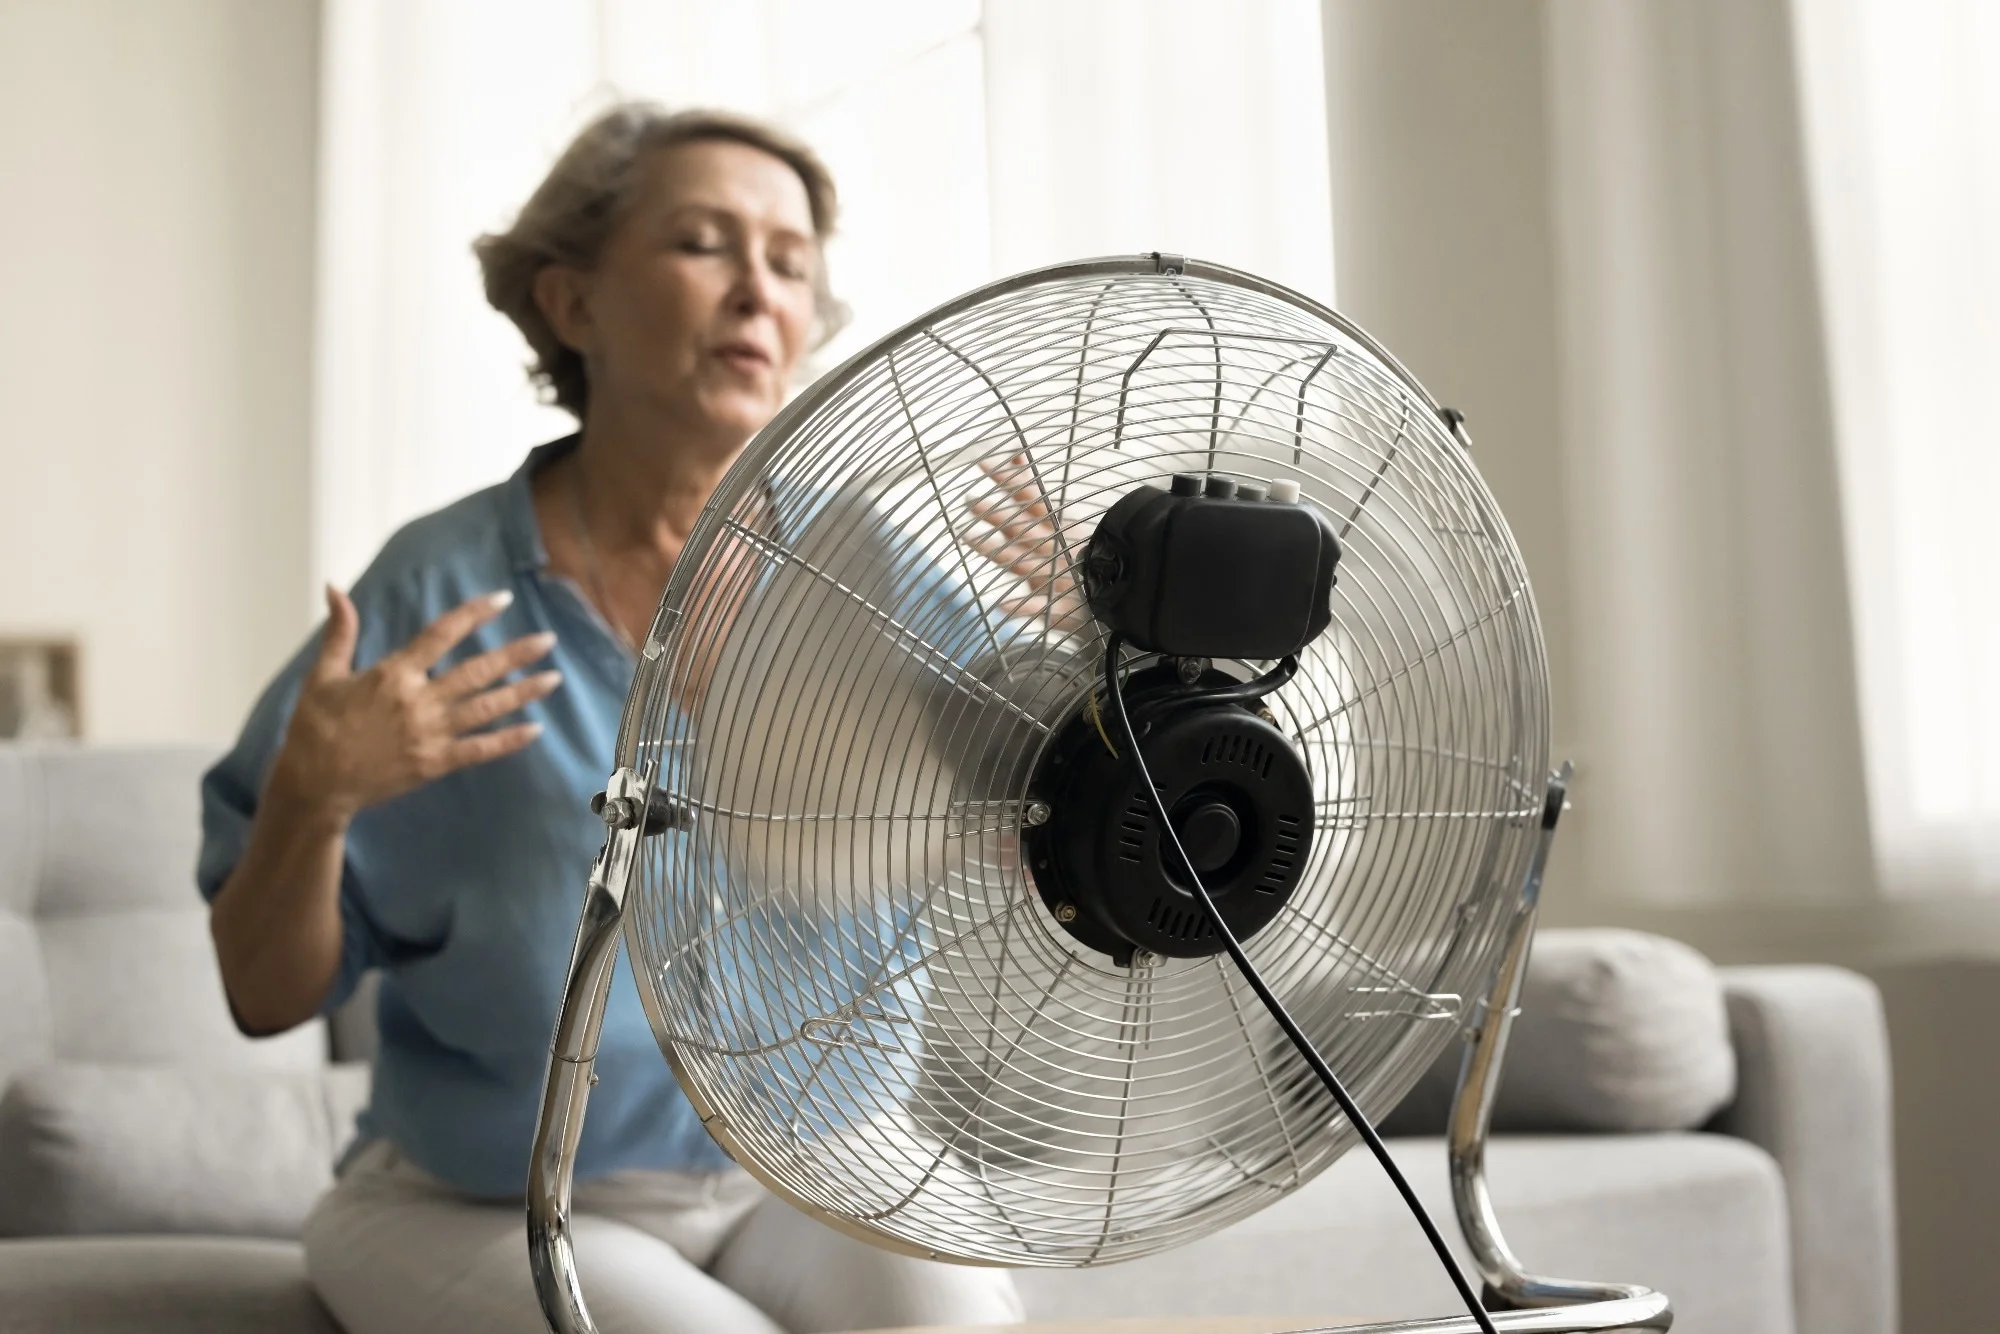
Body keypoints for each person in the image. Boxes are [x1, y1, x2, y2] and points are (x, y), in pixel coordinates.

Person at [198, 104, 1042, 1334]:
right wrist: (309, 801)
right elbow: (263, 994)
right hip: (484, 1196)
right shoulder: (439, 593)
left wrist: (1098, 664)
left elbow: (1045, 838)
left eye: (790, 263)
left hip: (815, 1164)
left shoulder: (877, 581)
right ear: (573, 304)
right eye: (703, 243)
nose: (758, 291)